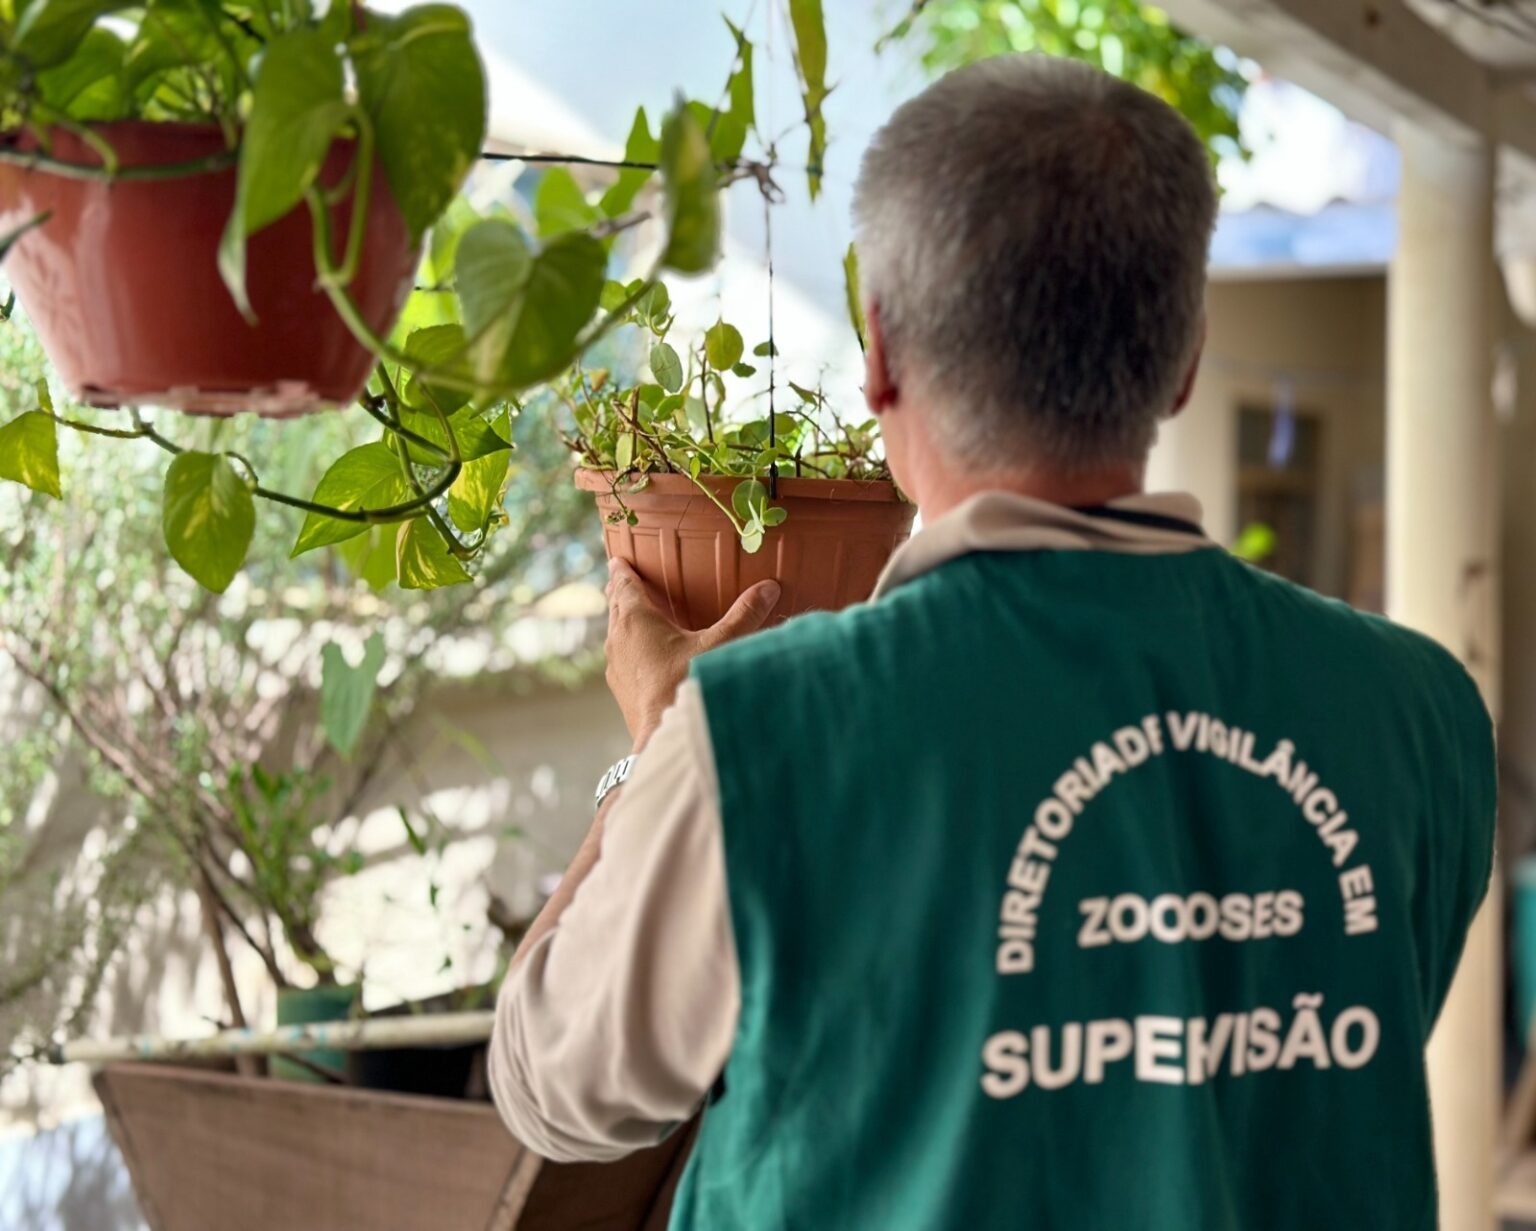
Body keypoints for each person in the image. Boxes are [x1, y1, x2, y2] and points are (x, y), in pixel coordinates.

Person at [489, 54, 1496, 1229]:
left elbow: (554, 1083)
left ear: (879, 356)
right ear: (1184, 362)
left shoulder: (764, 738)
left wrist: (656, 752)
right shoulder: (1421, 714)